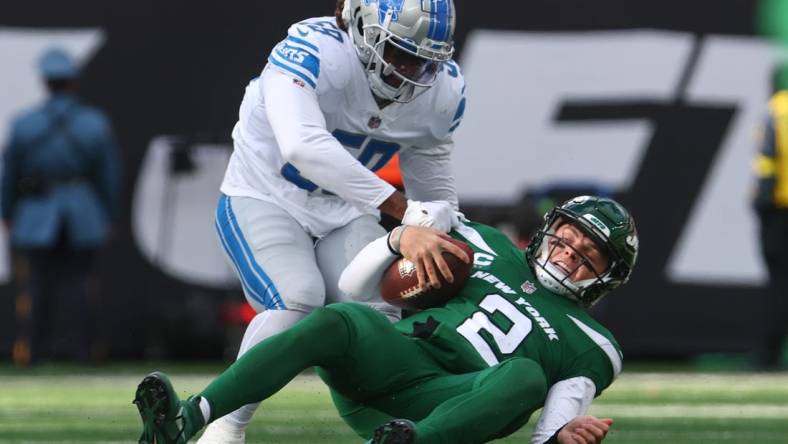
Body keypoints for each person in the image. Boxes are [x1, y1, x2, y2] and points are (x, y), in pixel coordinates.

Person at [134, 195, 639, 444]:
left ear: (606, 276)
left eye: (589, 253)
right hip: (397, 356)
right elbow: (357, 287)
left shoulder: (593, 344)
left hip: (449, 402)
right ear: (548, 230)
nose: (571, 254)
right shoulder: (484, 243)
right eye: (569, 238)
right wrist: (395, 241)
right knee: (340, 318)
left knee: (526, 373)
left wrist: (560, 437)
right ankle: (189, 418)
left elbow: (550, 427)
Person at [207, 0, 466, 439]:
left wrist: (445, 223)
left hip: (345, 212)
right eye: (401, 53)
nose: (411, 72)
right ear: (364, 28)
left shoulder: (443, 91)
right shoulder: (315, 50)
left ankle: (394, 432)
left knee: (378, 316)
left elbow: (433, 179)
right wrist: (402, 210)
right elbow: (301, 147)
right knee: (297, 299)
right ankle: (224, 425)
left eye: (425, 61)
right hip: (266, 194)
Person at [2, 47, 121, 365]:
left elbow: (8, 173)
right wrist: (108, 215)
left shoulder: (24, 124)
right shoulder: (94, 123)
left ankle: (32, 353)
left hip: (36, 211)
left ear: (45, 82)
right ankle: (84, 353)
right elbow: (109, 175)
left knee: (37, 286)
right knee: (79, 285)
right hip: (83, 210)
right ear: (72, 82)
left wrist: (7, 212)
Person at [751, 81, 788, 370]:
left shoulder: (779, 108)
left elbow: (767, 160)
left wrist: (762, 199)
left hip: (779, 210)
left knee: (779, 286)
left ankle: (768, 356)